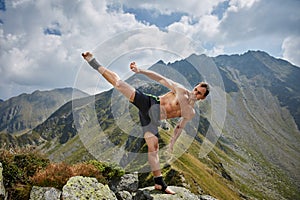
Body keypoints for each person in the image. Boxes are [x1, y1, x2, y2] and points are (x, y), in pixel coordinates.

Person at [82, 52, 210, 194]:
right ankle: (93, 62)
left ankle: (159, 183)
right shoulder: (180, 90)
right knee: (118, 84)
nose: (195, 93)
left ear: (202, 98)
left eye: (199, 93)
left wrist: (172, 143)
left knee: (153, 147)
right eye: (195, 89)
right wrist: (139, 70)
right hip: (149, 103)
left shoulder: (190, 113)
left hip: (152, 120)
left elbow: (180, 127)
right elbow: (160, 78)